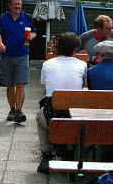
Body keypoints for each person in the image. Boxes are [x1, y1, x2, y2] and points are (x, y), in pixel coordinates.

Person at [36, 32, 88, 173]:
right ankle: (69, 151)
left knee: (39, 115)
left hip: (51, 117)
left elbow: (45, 86)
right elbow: (84, 85)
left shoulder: (48, 64)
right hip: (74, 117)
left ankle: (46, 155)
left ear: (58, 47)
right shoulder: (82, 65)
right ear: (76, 49)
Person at [0, 0, 36, 123]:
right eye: (15, 4)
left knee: (21, 84)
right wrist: (0, 43)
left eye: (19, 3)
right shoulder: (2, 18)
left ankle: (19, 111)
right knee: (10, 85)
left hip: (23, 54)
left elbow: (34, 32)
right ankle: (12, 109)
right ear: (10, 5)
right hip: (7, 56)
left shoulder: (27, 17)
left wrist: (31, 37)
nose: (18, 6)